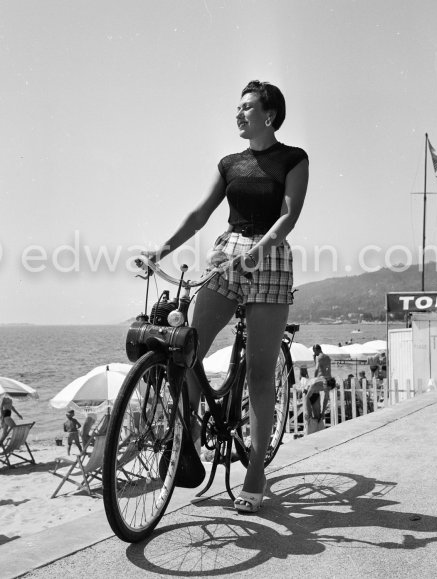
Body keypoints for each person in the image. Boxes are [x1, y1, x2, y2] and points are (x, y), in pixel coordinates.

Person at [142, 80, 309, 513]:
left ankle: (256, 471)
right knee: (186, 350)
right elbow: (200, 215)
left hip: (268, 257)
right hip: (226, 254)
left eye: (248, 107)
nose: (239, 114)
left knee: (257, 373)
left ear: (269, 115)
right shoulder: (229, 162)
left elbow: (288, 217)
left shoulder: (293, 159)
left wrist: (256, 254)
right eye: (238, 107)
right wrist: (159, 250)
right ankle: (189, 439)